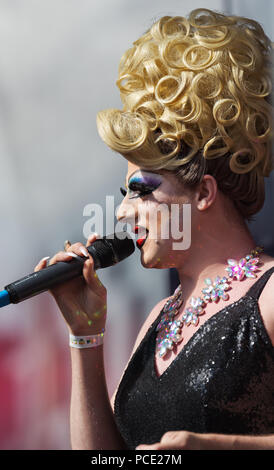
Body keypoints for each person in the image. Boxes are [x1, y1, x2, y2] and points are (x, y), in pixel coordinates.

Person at [35, 8, 274, 450]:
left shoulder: (271, 295)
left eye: (141, 191)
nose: (124, 212)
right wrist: (85, 336)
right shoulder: (156, 322)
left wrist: (214, 446)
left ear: (203, 193)